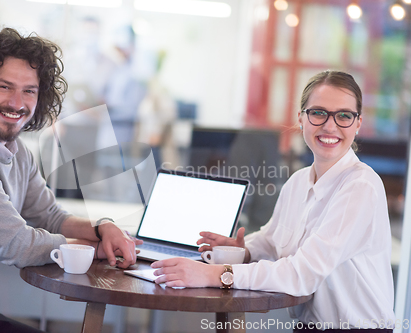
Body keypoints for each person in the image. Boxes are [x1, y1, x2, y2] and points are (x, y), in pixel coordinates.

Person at [0, 20, 141, 333]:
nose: (18, 104)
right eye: (4, 87)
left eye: (29, 91)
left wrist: (102, 228)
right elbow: (15, 244)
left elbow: (48, 215)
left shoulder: (14, 150)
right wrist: (92, 249)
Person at [151, 70, 396, 332]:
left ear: (358, 124)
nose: (329, 125)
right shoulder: (298, 182)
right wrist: (242, 251)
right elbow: (271, 239)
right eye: (318, 112)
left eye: (344, 115)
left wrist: (214, 274)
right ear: (301, 118)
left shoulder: (360, 187)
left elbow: (301, 275)